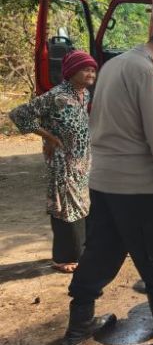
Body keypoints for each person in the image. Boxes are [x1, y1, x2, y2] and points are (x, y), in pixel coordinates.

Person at [61, 22, 153, 345]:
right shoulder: (148, 71)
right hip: (140, 186)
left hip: (103, 180)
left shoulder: (113, 65)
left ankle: (79, 322)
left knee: (100, 251)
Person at [9, 51, 98, 273]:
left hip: (83, 159)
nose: (91, 73)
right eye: (85, 69)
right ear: (71, 72)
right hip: (63, 160)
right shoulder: (56, 96)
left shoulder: (84, 94)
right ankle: (63, 258)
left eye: (93, 69)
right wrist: (49, 137)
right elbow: (19, 114)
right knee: (64, 206)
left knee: (82, 204)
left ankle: (80, 252)